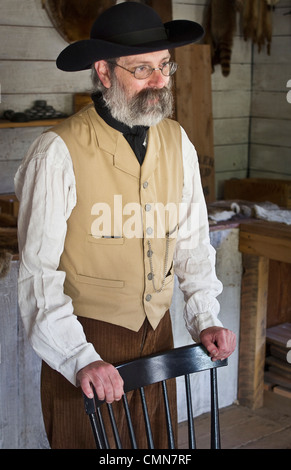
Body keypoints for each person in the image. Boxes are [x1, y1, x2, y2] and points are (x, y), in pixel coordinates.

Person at [15, 2, 236, 449]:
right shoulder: (57, 151)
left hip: (159, 335)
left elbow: (192, 242)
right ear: (103, 71)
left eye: (164, 66)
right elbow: (38, 273)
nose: (158, 82)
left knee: (155, 450)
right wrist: (79, 357)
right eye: (141, 69)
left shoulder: (178, 142)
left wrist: (205, 319)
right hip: (87, 341)